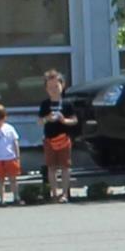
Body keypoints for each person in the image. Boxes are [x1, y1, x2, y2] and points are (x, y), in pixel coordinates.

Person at [38, 67, 78, 201]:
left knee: (65, 167)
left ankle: (65, 193)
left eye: (56, 86)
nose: (54, 90)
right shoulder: (45, 104)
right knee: (51, 167)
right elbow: (39, 121)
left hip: (64, 138)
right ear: (46, 89)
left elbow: (74, 120)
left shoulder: (67, 104)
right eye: (50, 87)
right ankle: (54, 193)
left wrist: (64, 120)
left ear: (62, 85)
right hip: (49, 139)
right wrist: (47, 119)